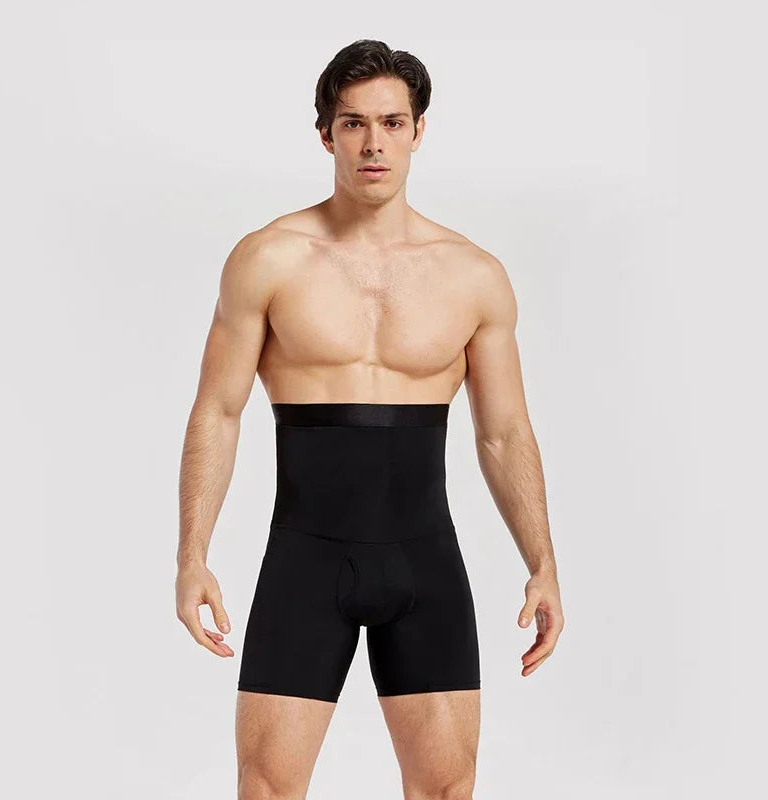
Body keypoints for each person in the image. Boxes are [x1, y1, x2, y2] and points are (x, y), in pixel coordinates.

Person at [175, 38, 564, 800]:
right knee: (266, 789)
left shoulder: (473, 274)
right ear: (326, 134)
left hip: (425, 562)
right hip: (305, 561)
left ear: (419, 131)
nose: (374, 143)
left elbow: (503, 432)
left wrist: (541, 563)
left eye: (392, 123)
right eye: (354, 123)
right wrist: (192, 555)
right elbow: (217, 411)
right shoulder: (268, 259)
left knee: (447, 790)